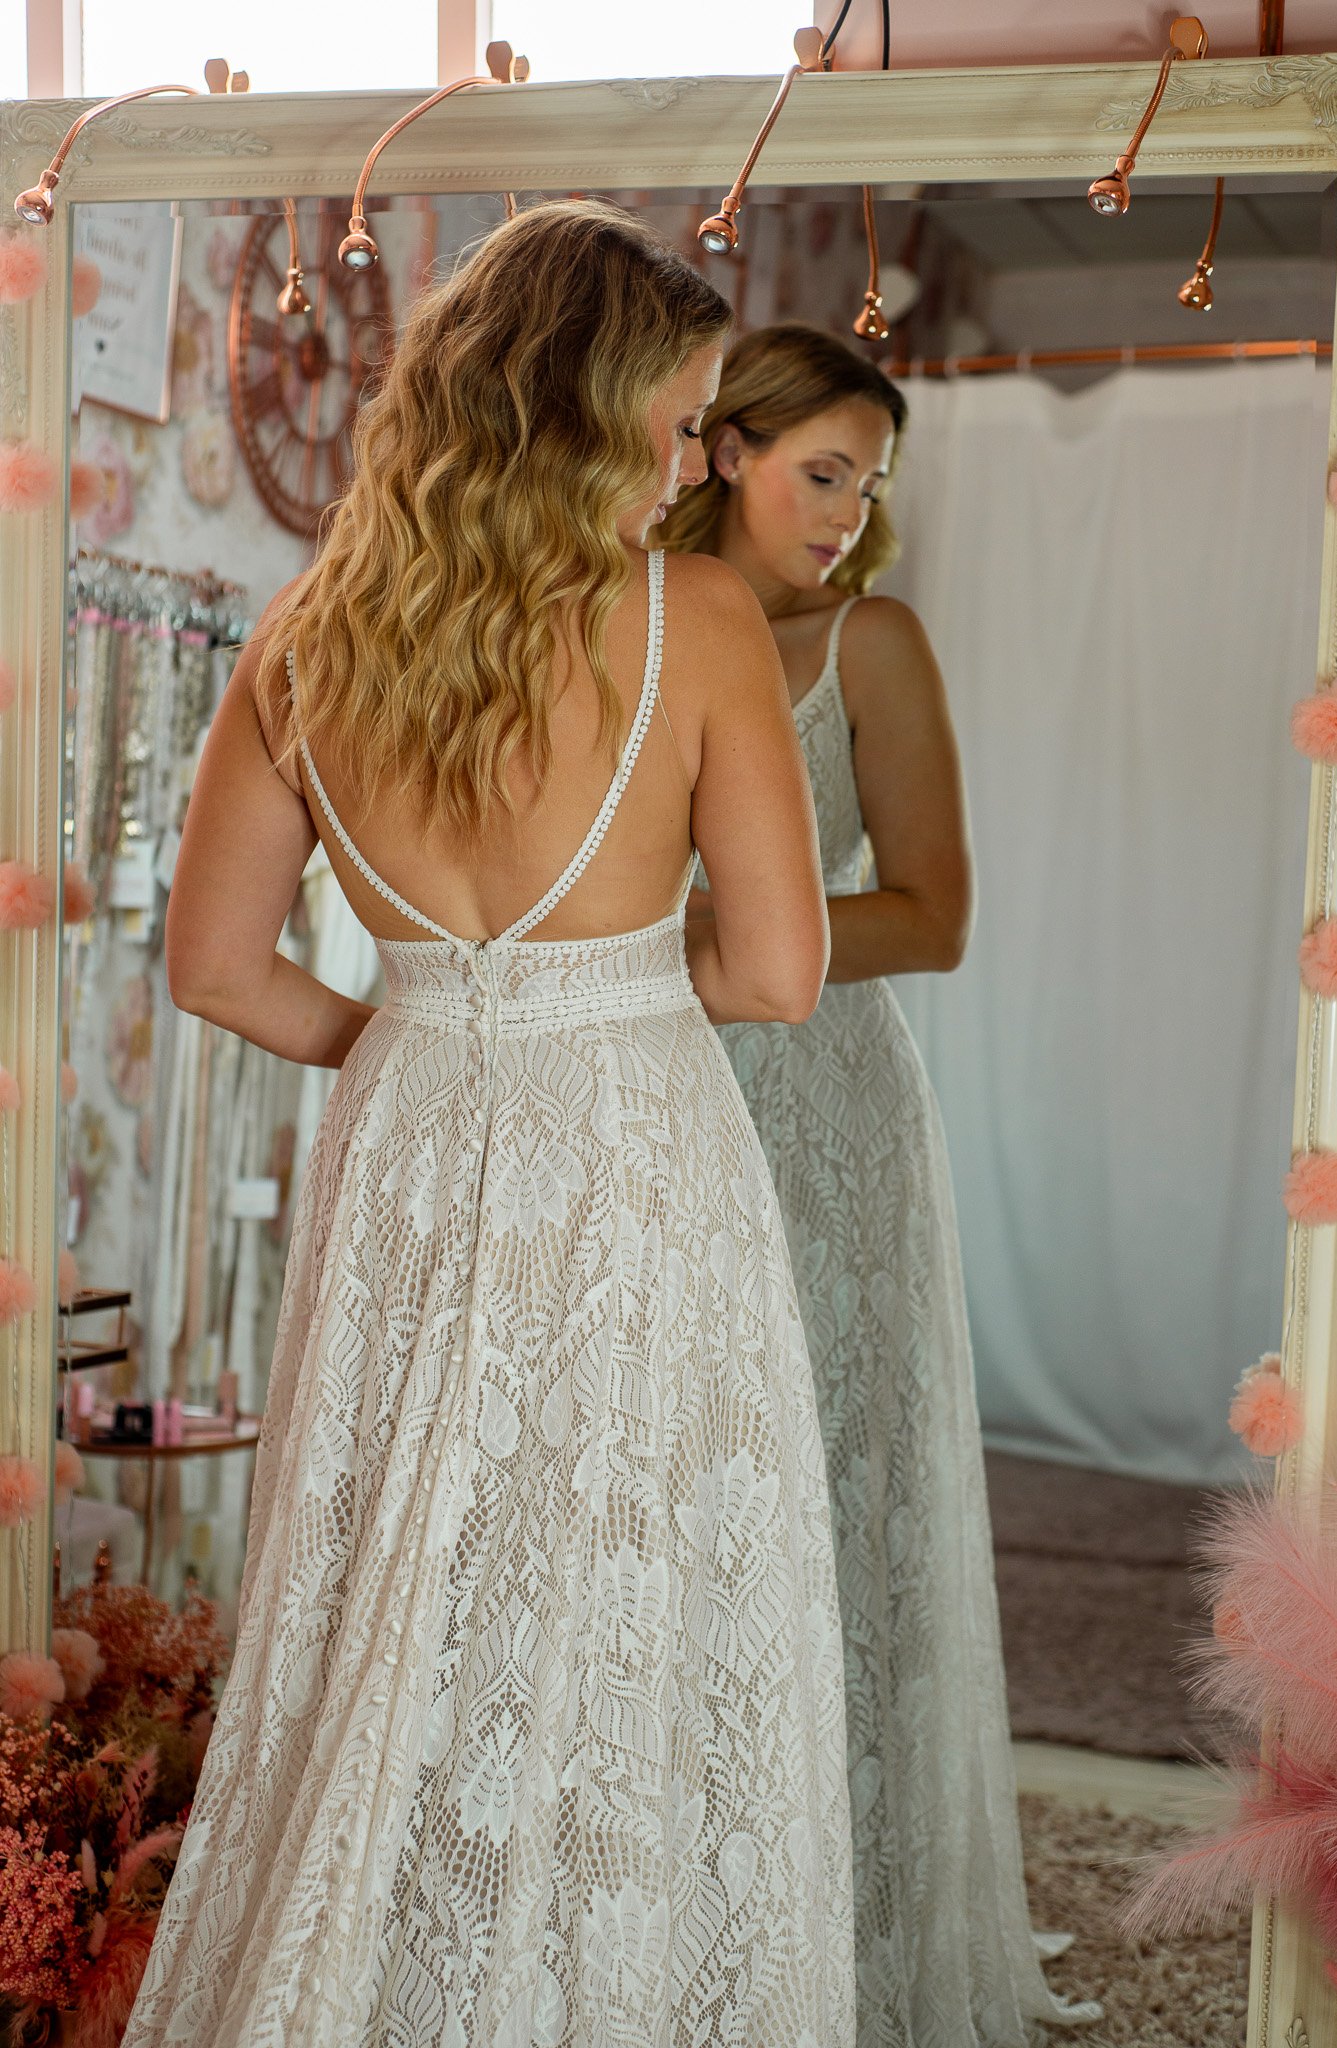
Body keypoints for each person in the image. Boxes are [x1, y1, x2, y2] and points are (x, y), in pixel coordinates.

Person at [121, 210, 855, 2048]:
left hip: (415, 1140)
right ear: (588, 410)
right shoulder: (695, 617)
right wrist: (579, 1003)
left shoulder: (305, 632)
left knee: (401, 1591)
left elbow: (214, 966)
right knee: (628, 1590)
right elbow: (776, 977)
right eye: (685, 428)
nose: (698, 470)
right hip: (629, 1148)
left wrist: (422, 1038)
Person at [661, 324, 1099, 2046]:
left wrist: (722, 939)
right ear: (722, 452)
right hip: (645, 1091)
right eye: (821, 471)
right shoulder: (620, 618)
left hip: (820, 1095)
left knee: (830, 1480)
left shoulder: (871, 643)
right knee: (678, 1474)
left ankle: (844, 1922)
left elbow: (936, 914)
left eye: (868, 485)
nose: (847, 515)